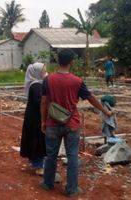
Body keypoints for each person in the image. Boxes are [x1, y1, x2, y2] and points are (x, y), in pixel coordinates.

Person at [40, 49, 113, 197]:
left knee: (51, 155)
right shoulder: (77, 81)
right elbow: (91, 98)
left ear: (58, 61)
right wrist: (106, 112)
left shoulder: (48, 80)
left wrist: (43, 121)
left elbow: (43, 102)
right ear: (72, 62)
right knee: (72, 156)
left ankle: (47, 184)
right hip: (72, 124)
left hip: (53, 123)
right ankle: (72, 189)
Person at [20, 63, 48, 176]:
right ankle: (38, 166)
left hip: (32, 116)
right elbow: (39, 102)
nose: (45, 72)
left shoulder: (35, 84)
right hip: (35, 117)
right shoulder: (36, 85)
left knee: (34, 138)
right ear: (37, 72)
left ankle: (35, 162)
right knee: (38, 139)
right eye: (43, 71)